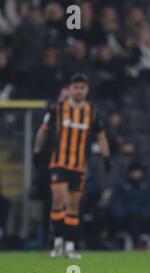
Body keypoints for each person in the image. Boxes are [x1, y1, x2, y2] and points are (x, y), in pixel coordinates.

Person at [33, 73, 111, 259]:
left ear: (87, 90)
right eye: (75, 87)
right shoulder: (57, 109)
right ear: (69, 90)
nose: (78, 90)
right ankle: (57, 242)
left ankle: (69, 246)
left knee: (73, 205)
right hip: (59, 163)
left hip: (79, 166)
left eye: (82, 87)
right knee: (59, 199)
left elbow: (100, 135)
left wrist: (106, 157)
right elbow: (43, 132)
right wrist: (37, 151)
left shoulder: (91, 111)